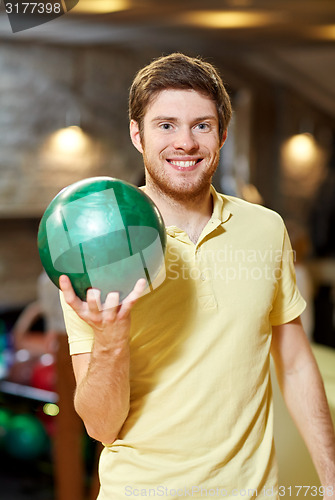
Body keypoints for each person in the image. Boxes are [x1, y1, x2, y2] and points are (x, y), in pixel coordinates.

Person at [59, 53, 335, 499]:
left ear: (222, 134)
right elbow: (100, 427)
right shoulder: (100, 249)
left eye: (201, 125)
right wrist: (110, 342)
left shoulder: (266, 228)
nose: (184, 143)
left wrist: (330, 478)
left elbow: (298, 362)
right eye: (165, 125)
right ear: (137, 135)